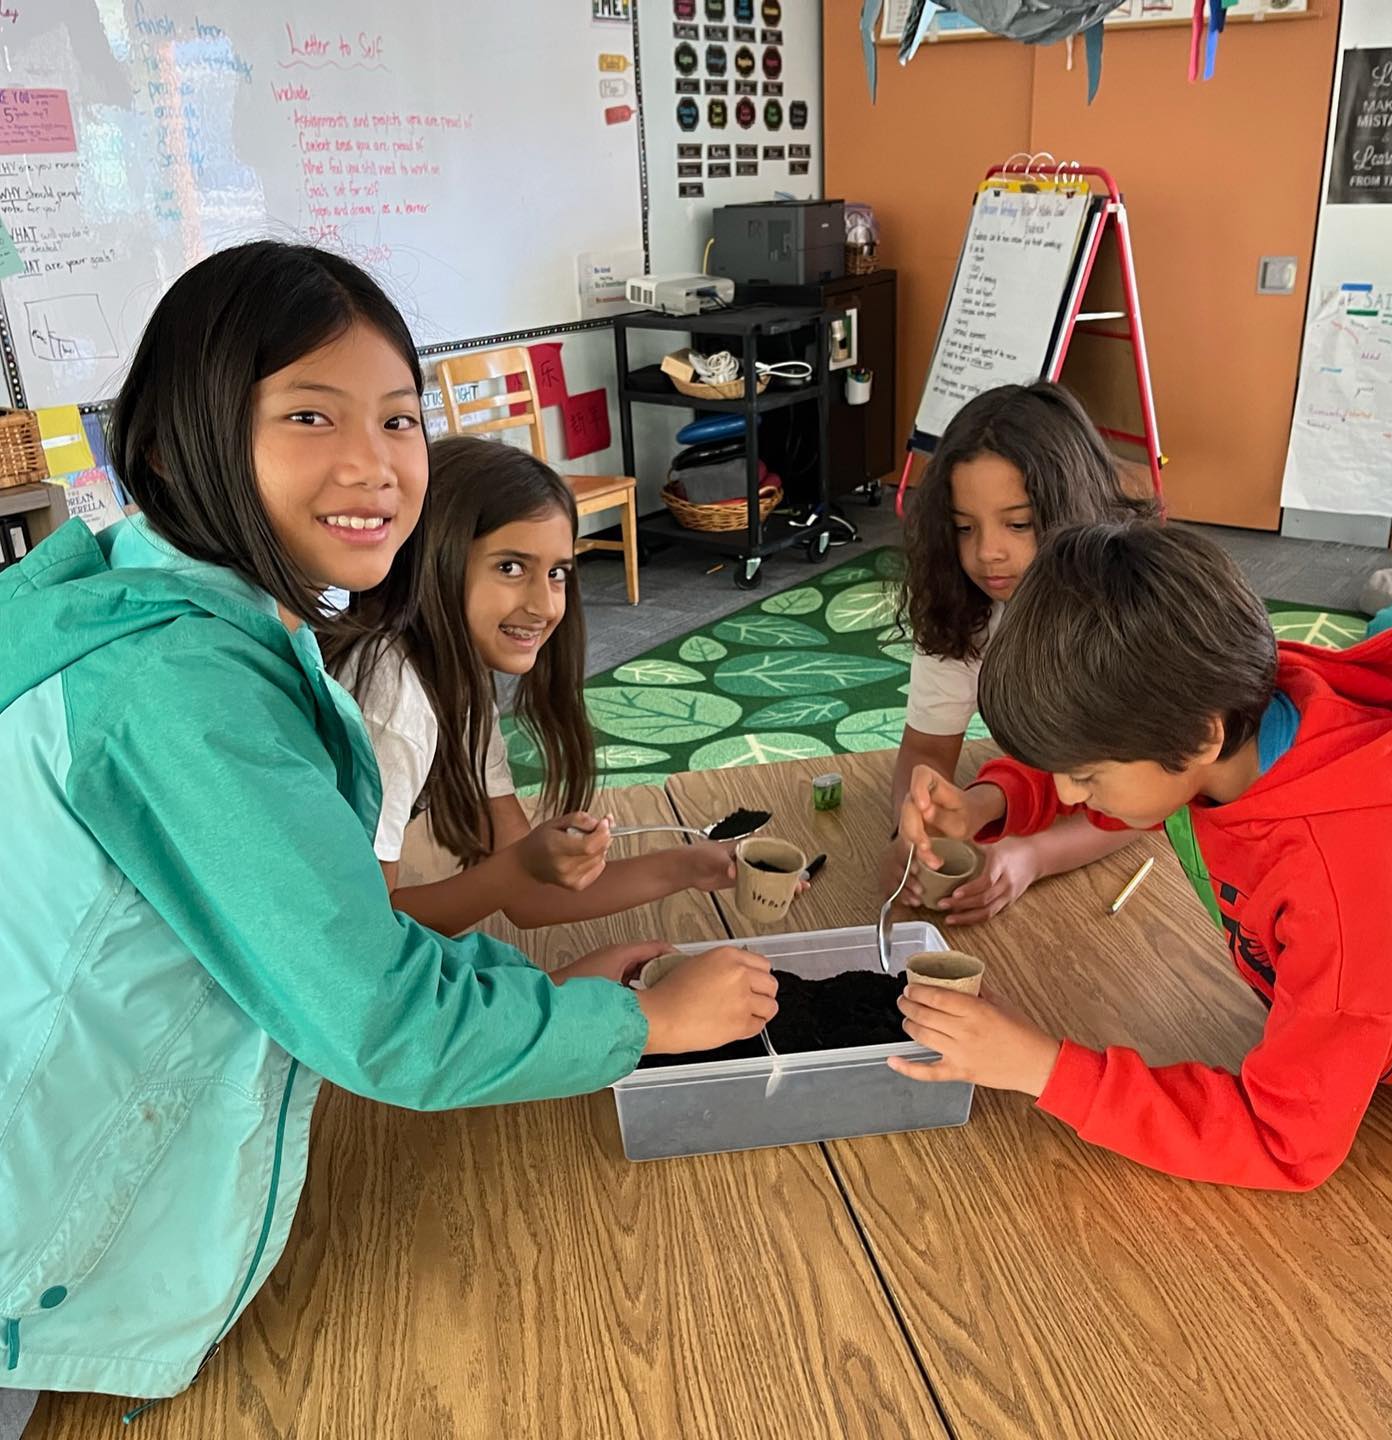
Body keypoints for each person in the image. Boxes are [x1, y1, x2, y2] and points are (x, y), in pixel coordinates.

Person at [0, 241, 774, 1404]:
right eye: (311, 416)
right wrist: (634, 1027)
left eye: (400, 420)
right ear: (169, 443)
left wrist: (585, 980)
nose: (372, 466)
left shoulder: (184, 624)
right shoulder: (182, 687)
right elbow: (379, 1008)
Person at [895, 521, 1392, 1190]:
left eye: (1086, 775)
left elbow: (1286, 1141)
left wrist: (1041, 1066)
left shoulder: (1340, 883)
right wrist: (986, 803)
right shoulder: (1234, 712)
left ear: (1199, 737)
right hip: (1347, 1014)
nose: (1066, 790)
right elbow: (1123, 766)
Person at [329, 436, 741, 935]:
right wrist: (520, 867)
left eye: (558, 573)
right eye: (510, 567)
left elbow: (530, 901)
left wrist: (690, 865)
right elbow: (362, 934)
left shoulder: (457, 679)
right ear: (435, 560)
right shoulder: (392, 700)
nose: (546, 606)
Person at [885, 381, 1152, 925]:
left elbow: (1147, 804)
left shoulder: (1128, 618)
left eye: (1018, 524)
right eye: (964, 527)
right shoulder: (963, 609)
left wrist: (1033, 855)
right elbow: (928, 751)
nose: (987, 552)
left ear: (1073, 511)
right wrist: (913, 831)